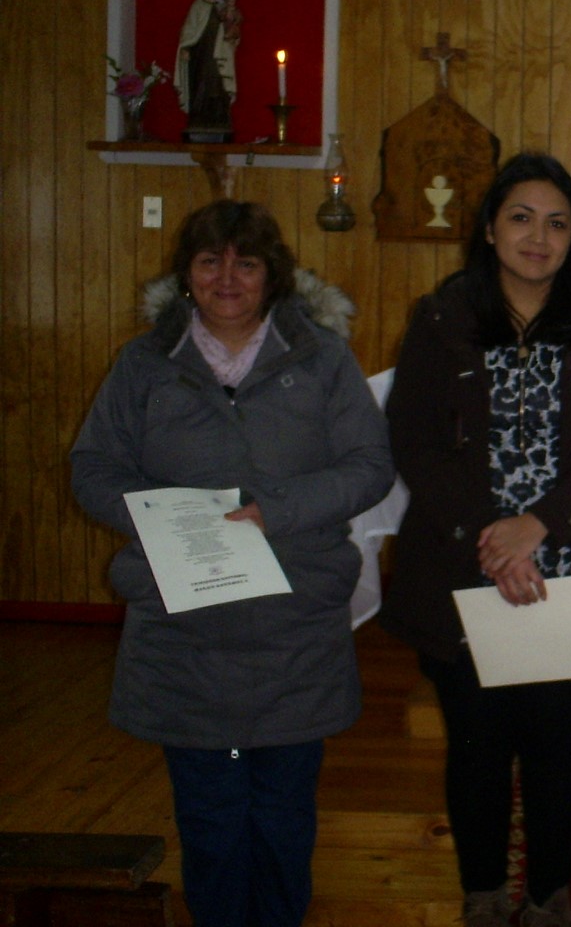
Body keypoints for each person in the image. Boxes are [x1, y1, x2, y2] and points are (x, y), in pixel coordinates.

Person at [70, 200, 395, 927]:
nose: (227, 278)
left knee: (283, 819)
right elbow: (91, 468)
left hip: (294, 625)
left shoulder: (322, 359)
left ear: (271, 275)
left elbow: (370, 466)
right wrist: (160, 518)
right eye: (210, 261)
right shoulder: (145, 364)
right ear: (186, 275)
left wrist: (276, 508)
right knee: (210, 823)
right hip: (185, 629)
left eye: (245, 263)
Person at [379, 152, 571, 927]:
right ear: (491, 228)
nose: (539, 236)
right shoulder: (443, 319)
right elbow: (416, 442)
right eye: (522, 217)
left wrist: (540, 525)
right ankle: (484, 895)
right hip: (464, 565)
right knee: (477, 744)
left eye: (558, 222)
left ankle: (549, 896)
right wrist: (491, 539)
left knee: (559, 744)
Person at [175, 0, 237, 135]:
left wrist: (232, 38)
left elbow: (232, 30)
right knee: (201, 84)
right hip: (201, 54)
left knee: (218, 85)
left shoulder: (223, 9)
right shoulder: (197, 7)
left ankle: (219, 118)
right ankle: (198, 118)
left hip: (219, 54)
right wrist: (185, 48)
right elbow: (188, 31)